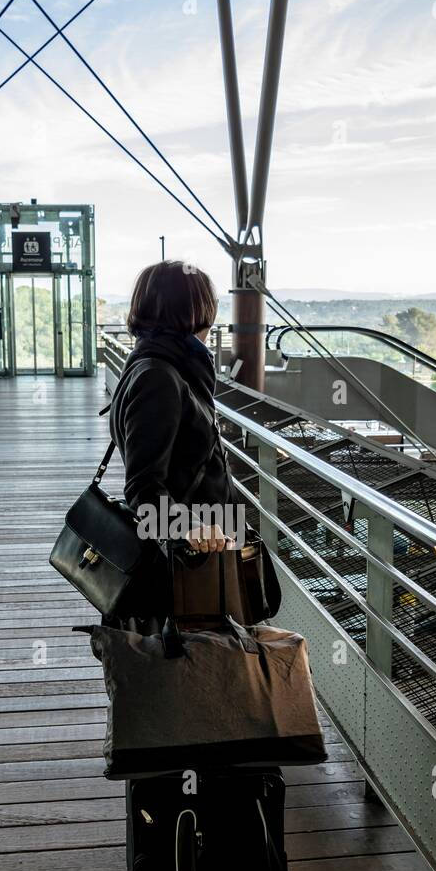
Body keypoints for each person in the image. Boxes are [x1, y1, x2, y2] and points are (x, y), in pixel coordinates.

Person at [108, 260, 246, 627]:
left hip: (201, 548)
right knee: (198, 668)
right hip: (187, 560)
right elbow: (143, 486)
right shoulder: (159, 376)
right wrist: (190, 527)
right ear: (194, 310)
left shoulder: (159, 363)